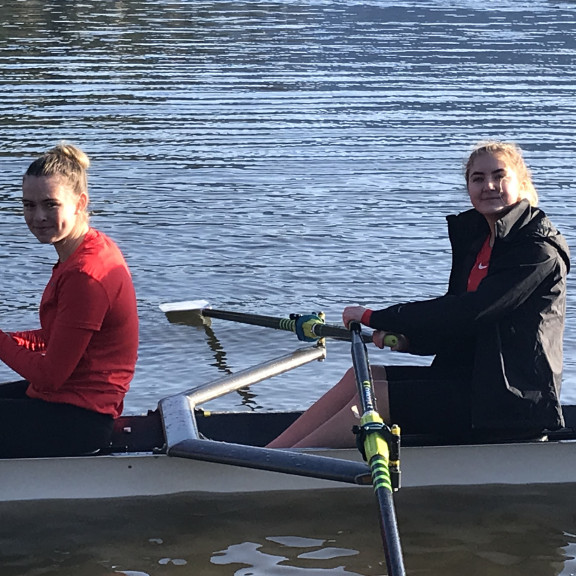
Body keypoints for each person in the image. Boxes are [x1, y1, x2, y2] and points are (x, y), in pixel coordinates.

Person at [269, 140, 570, 448]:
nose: (488, 186)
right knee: (359, 377)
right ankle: (270, 454)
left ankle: (278, 466)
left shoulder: (536, 250)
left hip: (510, 404)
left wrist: (377, 317)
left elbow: (473, 310)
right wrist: (410, 341)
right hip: (470, 381)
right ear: (468, 186)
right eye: (478, 178)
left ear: (521, 183)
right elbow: (458, 326)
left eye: (499, 176)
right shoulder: (480, 241)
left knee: (376, 396)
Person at [0, 143, 139, 458]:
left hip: (80, 421)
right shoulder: (92, 247)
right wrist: (9, 340)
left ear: (80, 203)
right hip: (68, 403)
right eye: (29, 205)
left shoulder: (86, 275)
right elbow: (60, 338)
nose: (38, 217)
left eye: (50, 204)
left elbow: (49, 376)